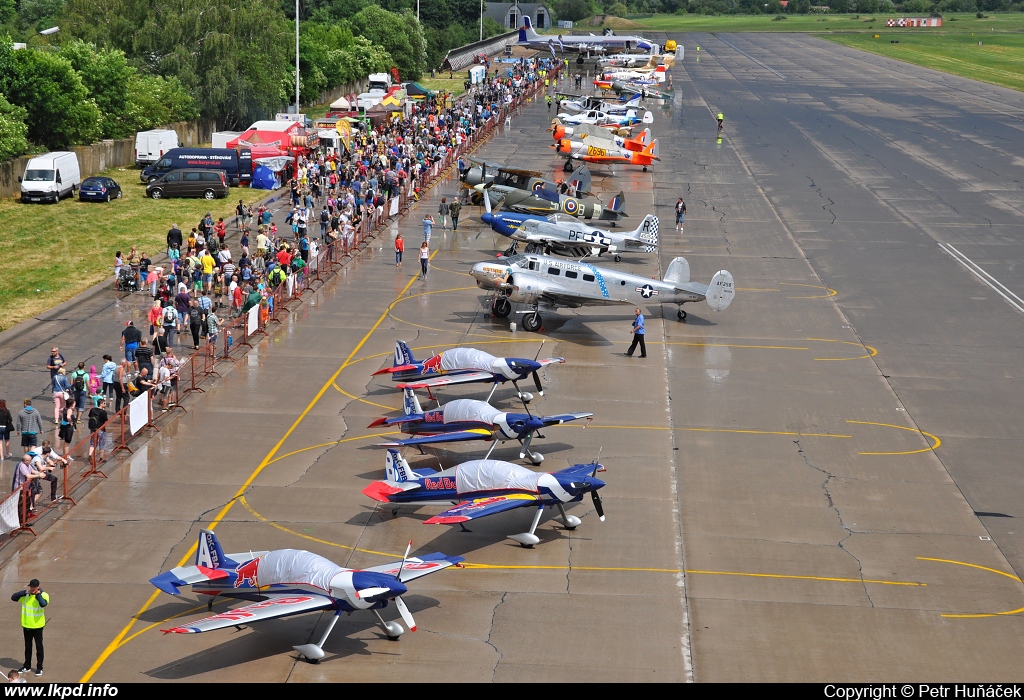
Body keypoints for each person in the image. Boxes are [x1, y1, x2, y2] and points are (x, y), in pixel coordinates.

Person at [12, 579, 48, 677]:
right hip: (27, 625)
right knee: (28, 647)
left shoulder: (44, 595)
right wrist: (24, 592)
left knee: (39, 647)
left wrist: (38, 595)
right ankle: (27, 666)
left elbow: (43, 604)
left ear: (38, 587)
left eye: (34, 587)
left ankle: (39, 668)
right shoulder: (26, 596)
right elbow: (13, 597)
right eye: (31, 587)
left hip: (37, 626)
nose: (32, 589)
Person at [87, 399, 108, 463]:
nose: (105, 404)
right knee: (102, 443)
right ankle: (101, 458)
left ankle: (90, 455)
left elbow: (90, 416)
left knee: (93, 443)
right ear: (101, 404)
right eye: (104, 403)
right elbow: (106, 421)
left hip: (93, 429)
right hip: (101, 429)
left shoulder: (92, 410)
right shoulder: (103, 412)